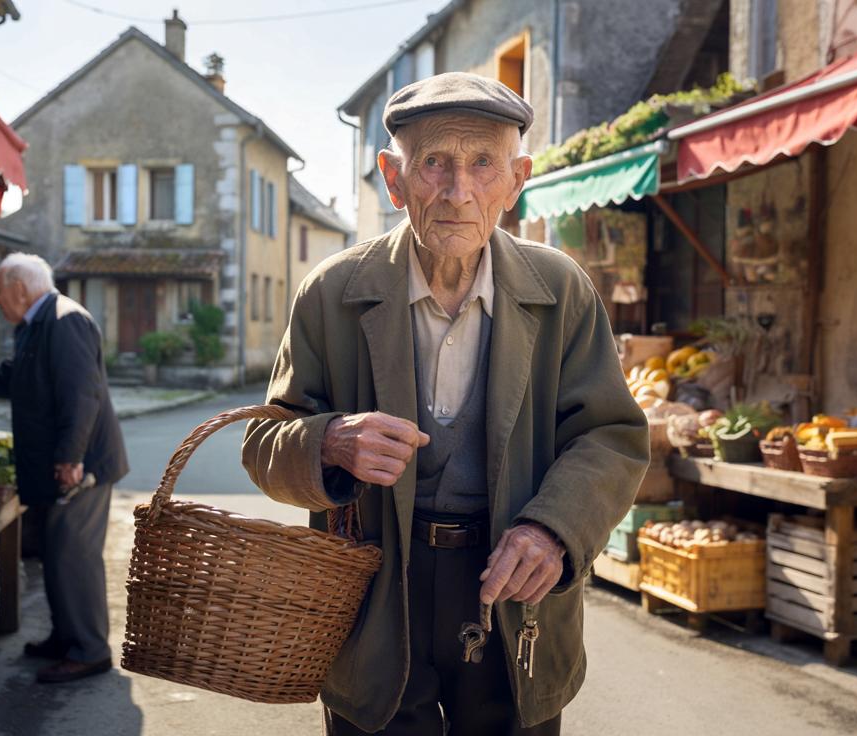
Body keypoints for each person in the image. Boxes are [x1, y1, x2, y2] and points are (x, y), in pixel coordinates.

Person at [241, 73, 649, 735]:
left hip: (512, 586)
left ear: (517, 179)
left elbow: (610, 436)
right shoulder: (332, 291)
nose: (459, 192)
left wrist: (553, 528)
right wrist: (329, 441)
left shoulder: (561, 289)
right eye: (434, 163)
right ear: (393, 177)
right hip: (375, 591)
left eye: (483, 163)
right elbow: (263, 443)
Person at [0, 252, 127, 684]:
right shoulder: (38, 323)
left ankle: (89, 650)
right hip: (62, 466)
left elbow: (80, 396)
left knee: (74, 556)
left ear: (19, 287)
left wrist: (71, 457)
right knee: (56, 554)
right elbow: (9, 379)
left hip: (81, 466)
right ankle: (66, 637)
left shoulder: (65, 319)